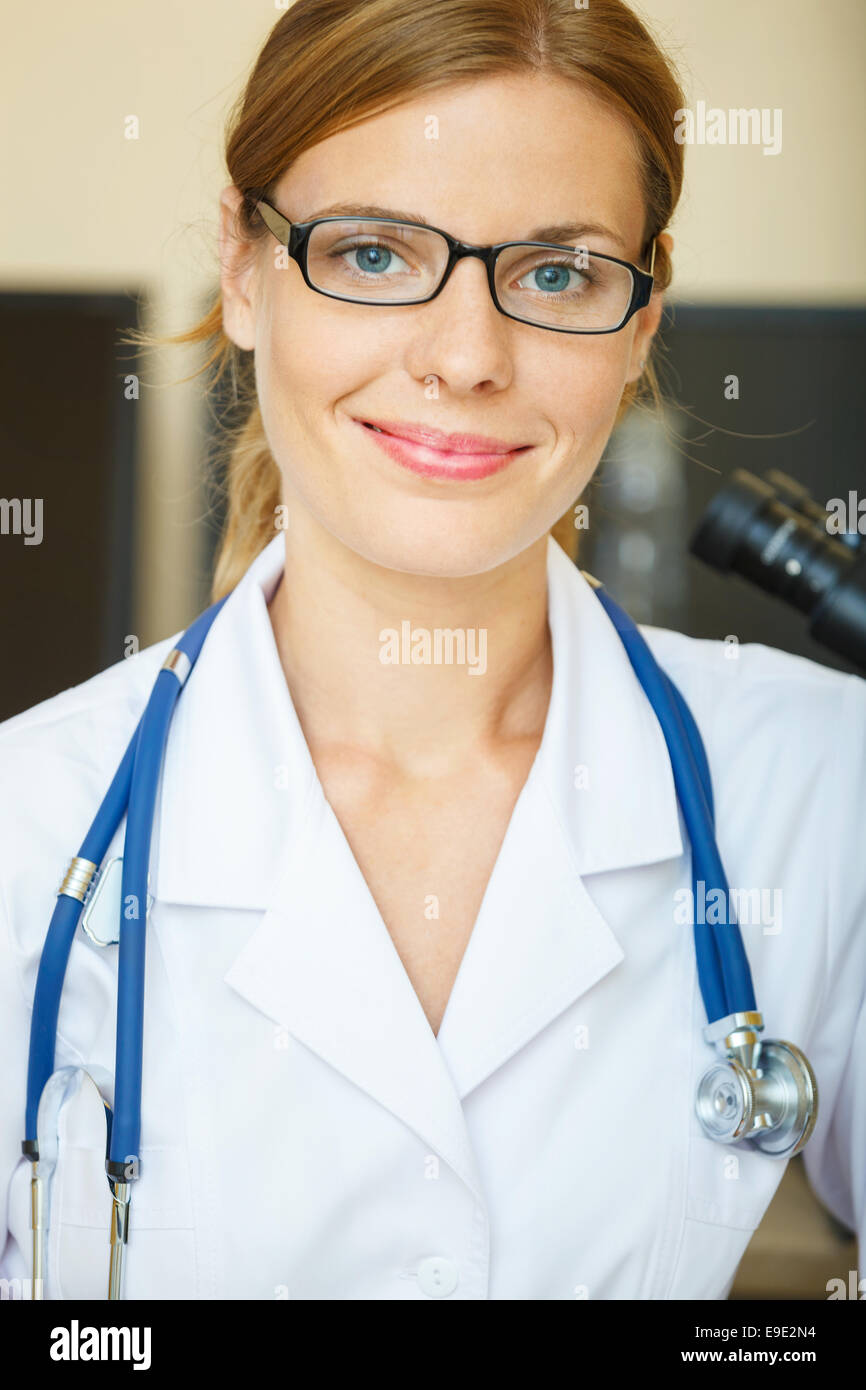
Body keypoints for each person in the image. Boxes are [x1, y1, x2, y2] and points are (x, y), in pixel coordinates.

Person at [1, 0, 863, 1301]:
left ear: (641, 317)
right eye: (371, 254)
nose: (465, 357)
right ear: (244, 268)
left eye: (558, 273)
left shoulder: (817, 784)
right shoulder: (28, 819)